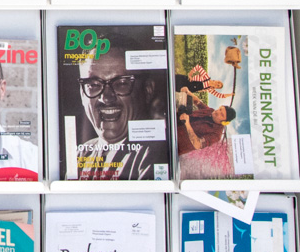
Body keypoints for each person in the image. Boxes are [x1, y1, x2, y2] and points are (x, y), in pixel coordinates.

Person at [71, 41, 157, 181]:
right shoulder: (81, 154)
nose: (106, 98)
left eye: (121, 83)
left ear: (147, 90)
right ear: (82, 94)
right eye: (94, 85)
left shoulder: (156, 152)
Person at [176, 82, 236, 154]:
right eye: (220, 109)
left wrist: (187, 124)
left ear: (224, 122)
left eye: (222, 114)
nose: (218, 112)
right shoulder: (211, 111)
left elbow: (198, 145)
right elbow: (198, 102)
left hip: (176, 143)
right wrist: (188, 92)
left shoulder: (216, 135)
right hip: (174, 123)